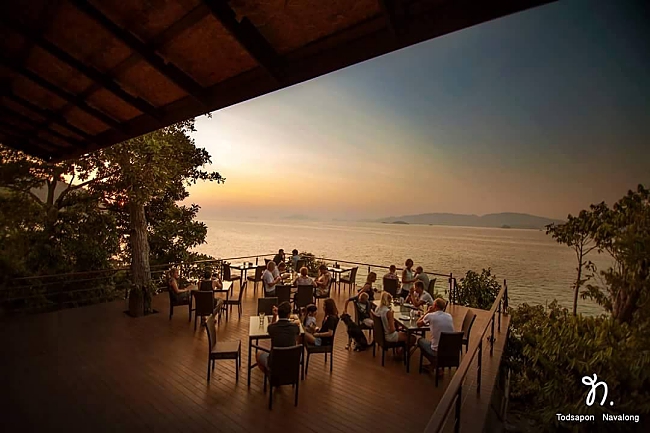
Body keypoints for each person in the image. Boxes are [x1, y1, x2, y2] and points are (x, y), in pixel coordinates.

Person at [256, 301, 300, 374]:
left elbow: (270, 329)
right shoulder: (294, 327)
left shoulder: (272, 328)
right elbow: (298, 334)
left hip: (274, 361)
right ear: (289, 314)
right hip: (290, 361)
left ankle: (271, 376)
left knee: (258, 354)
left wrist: (274, 316)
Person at [416, 298, 454, 368]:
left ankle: (434, 363)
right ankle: (436, 366)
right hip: (449, 350)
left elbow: (418, 324)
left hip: (436, 351)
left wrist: (428, 311)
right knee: (435, 341)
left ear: (435, 306)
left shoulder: (430, 316)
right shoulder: (449, 316)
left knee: (420, 340)